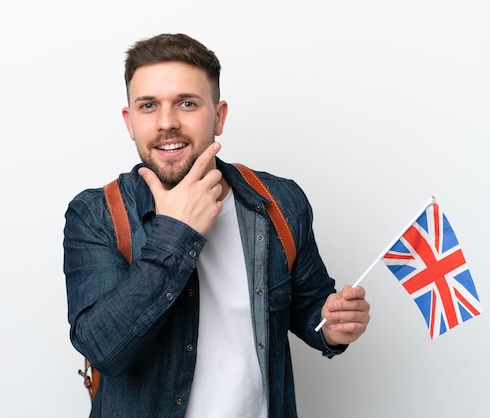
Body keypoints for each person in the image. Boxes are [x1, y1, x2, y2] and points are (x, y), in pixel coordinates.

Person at [63, 33, 370, 418]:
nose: (166, 123)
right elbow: (103, 349)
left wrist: (330, 327)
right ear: (130, 122)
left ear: (219, 115)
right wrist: (177, 231)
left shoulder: (280, 202)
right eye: (148, 106)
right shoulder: (97, 214)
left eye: (187, 103)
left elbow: (309, 307)